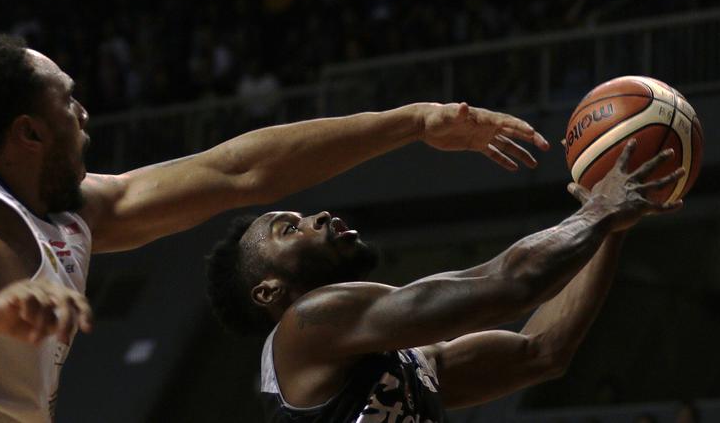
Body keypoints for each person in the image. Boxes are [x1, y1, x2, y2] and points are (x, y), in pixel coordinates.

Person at [0, 34, 548, 422]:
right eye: (67, 101)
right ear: (28, 132)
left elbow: (239, 173)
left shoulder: (71, 210)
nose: (84, 114)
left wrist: (414, 123)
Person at [205, 140, 685, 421]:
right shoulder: (306, 322)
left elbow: (542, 352)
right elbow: (508, 285)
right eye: (289, 229)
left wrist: (612, 230)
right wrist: (599, 211)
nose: (317, 216)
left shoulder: (405, 366)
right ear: (268, 291)